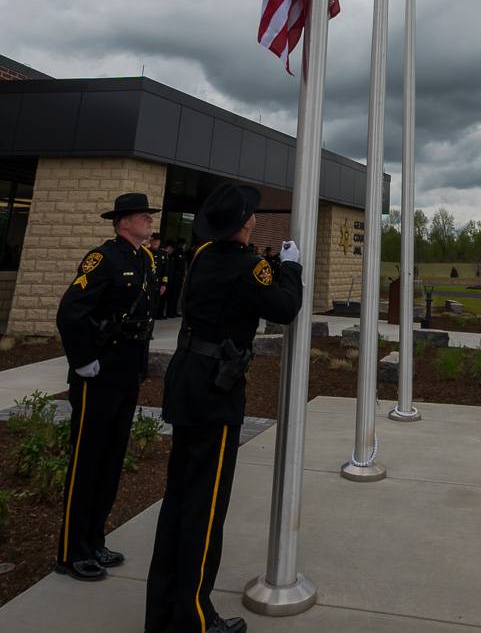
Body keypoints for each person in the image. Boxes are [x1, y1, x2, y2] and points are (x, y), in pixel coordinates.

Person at [144, 182, 303, 633]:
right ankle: (193, 618)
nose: (254, 218)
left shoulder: (202, 257)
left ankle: (161, 613)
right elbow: (286, 307)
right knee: (205, 508)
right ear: (243, 225)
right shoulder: (248, 266)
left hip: (188, 382)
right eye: (250, 215)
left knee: (178, 501)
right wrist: (290, 268)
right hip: (216, 393)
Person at [55, 191, 160, 581]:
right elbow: (70, 311)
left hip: (124, 374)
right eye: (142, 216)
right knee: (86, 462)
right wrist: (82, 360)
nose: (149, 221)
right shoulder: (103, 258)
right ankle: (70, 550)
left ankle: (94, 539)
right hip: (96, 376)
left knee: (111, 461)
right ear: (124, 223)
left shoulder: (142, 259)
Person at [149, 232, 170, 317]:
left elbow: (165, 271)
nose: (156, 243)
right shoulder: (146, 252)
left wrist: (164, 285)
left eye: (157, 241)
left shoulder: (163, 254)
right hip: (148, 283)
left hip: (157, 284)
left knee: (155, 305)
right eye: (154, 241)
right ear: (151, 241)